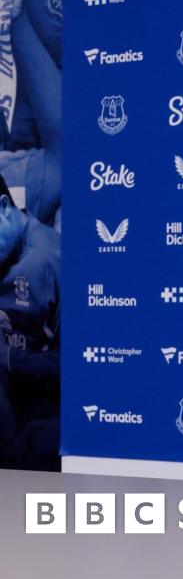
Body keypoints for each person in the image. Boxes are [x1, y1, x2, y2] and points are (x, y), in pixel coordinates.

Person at [0, 174, 59, 469]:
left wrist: (11, 358)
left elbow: (81, 362)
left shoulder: (51, 260)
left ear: (3, 207)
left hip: (43, 413)